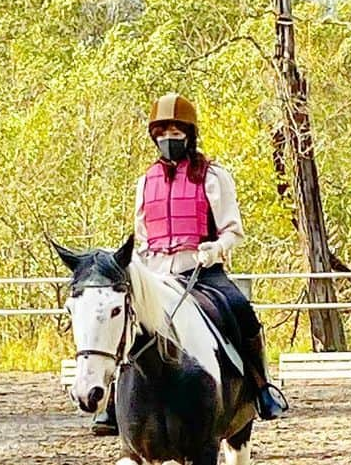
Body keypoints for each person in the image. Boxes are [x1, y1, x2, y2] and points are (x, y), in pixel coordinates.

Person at [92, 91, 288, 435]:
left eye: (176, 132)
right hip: (155, 276)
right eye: (163, 132)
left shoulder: (213, 176)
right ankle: (111, 404)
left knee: (242, 310)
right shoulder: (145, 182)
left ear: (189, 134)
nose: (169, 139)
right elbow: (141, 233)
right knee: (122, 322)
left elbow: (233, 230)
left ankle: (261, 389)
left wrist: (215, 248)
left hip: (201, 272)